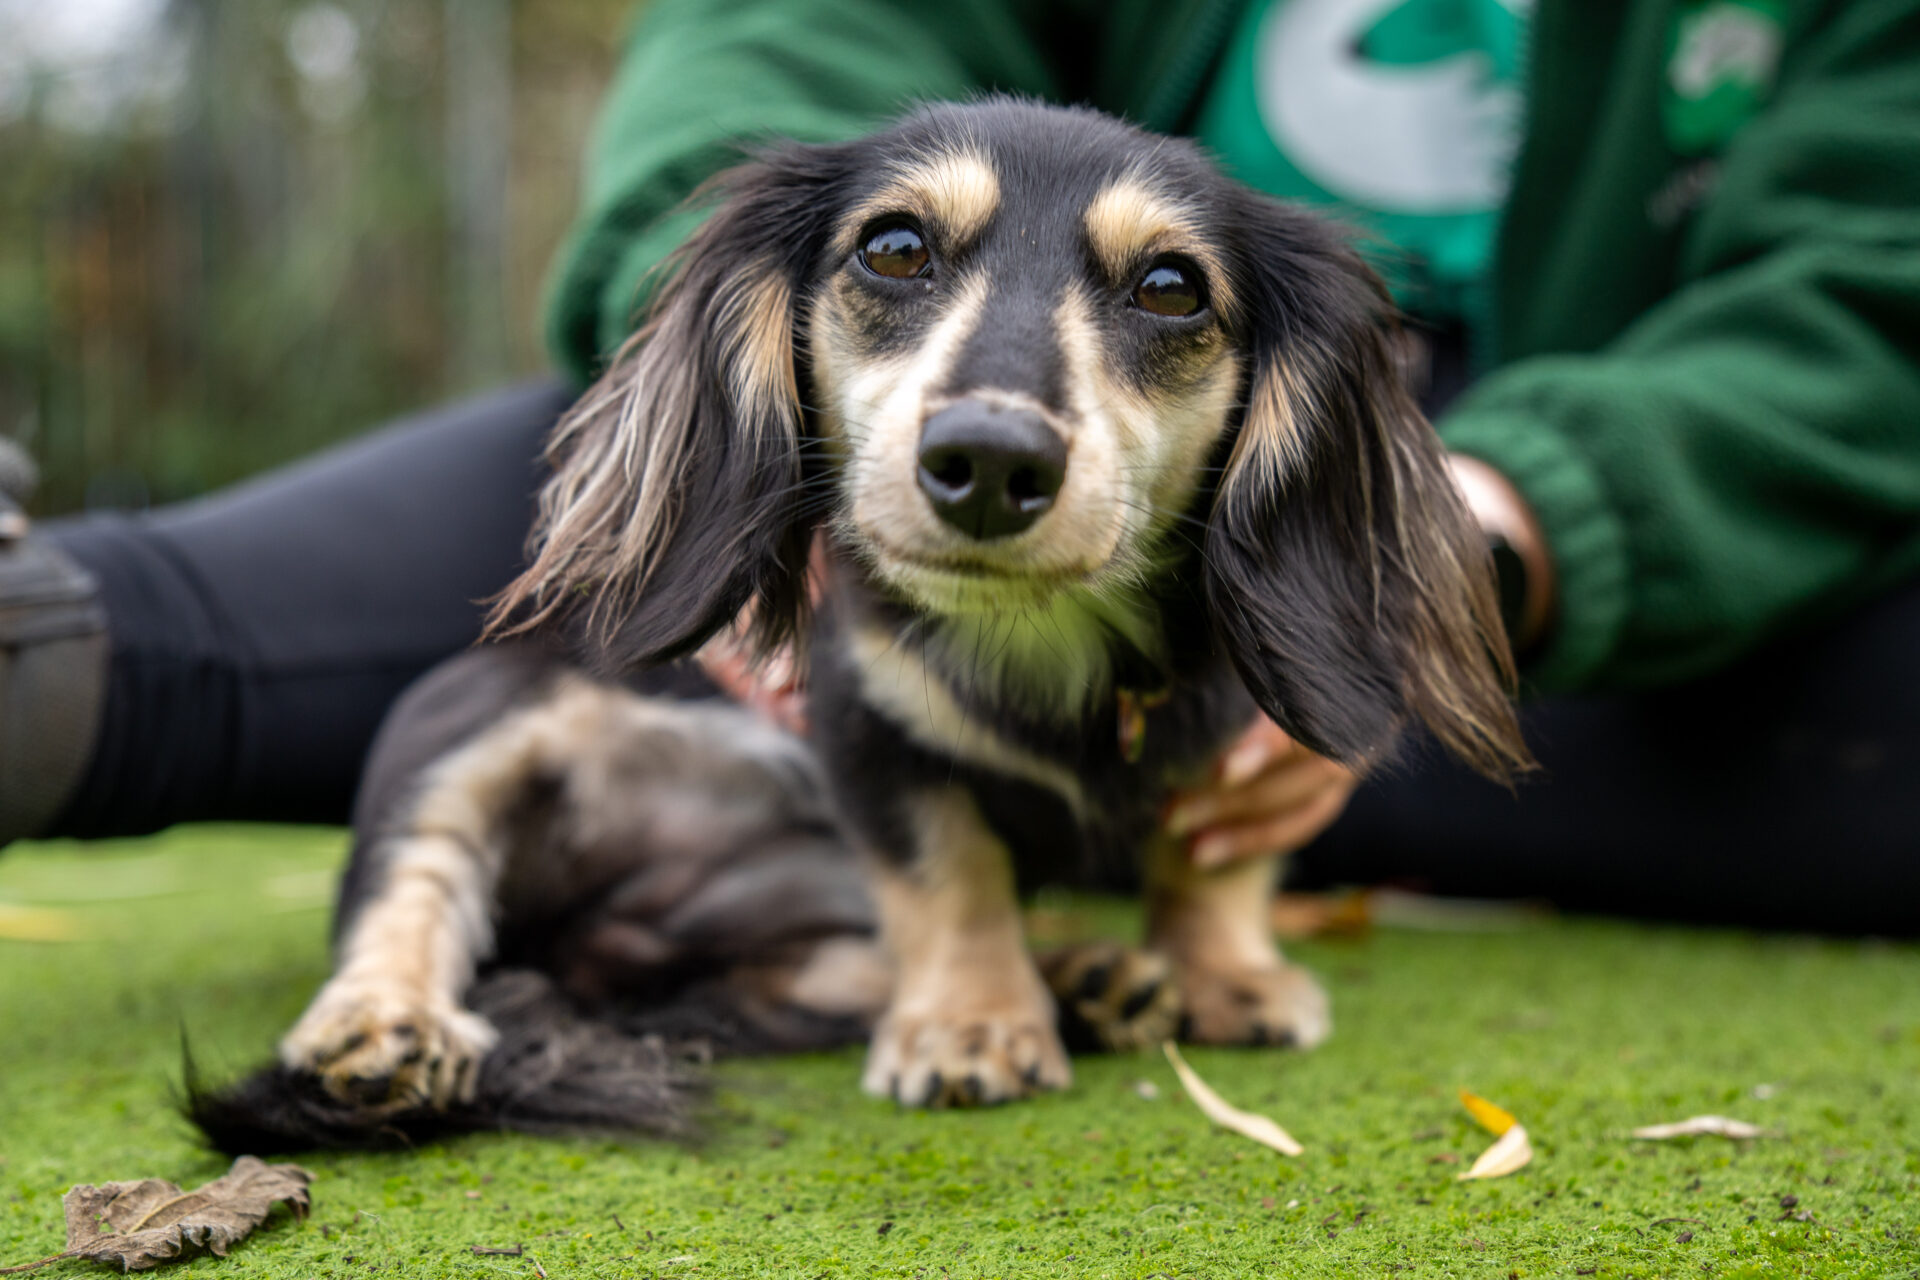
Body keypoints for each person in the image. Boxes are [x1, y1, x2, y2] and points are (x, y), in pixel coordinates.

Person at [3, 0, 1917, 934]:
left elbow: (1875, 280)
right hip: (888, 466)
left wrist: (1483, 541)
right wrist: (793, 451)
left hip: (1571, 535)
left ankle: (1136, 803)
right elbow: (776, 46)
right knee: (611, 493)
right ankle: (57, 654)